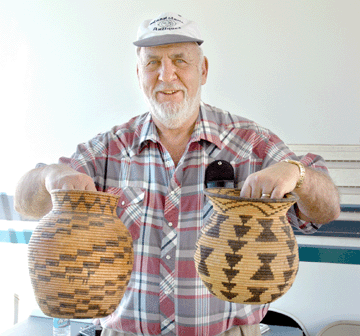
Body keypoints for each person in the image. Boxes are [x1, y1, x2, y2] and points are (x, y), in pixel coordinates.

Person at [15, 12, 340, 336]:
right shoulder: (108, 149)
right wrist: (51, 175)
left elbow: (325, 211)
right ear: (138, 72)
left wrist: (296, 172)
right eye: (153, 62)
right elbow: (26, 205)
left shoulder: (252, 143)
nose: (166, 75)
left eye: (180, 60)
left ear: (204, 70)